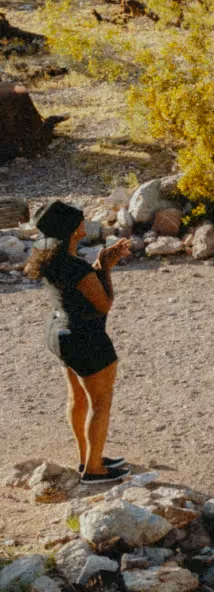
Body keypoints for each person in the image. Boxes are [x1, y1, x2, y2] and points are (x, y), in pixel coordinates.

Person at [28, 201, 131, 485]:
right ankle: (94, 469)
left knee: (78, 398)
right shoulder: (76, 268)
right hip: (86, 338)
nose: (85, 225)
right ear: (74, 231)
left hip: (59, 333)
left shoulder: (45, 254)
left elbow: (77, 293)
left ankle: (88, 456)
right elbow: (104, 304)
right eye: (81, 222)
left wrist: (98, 265)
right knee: (101, 401)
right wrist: (105, 267)